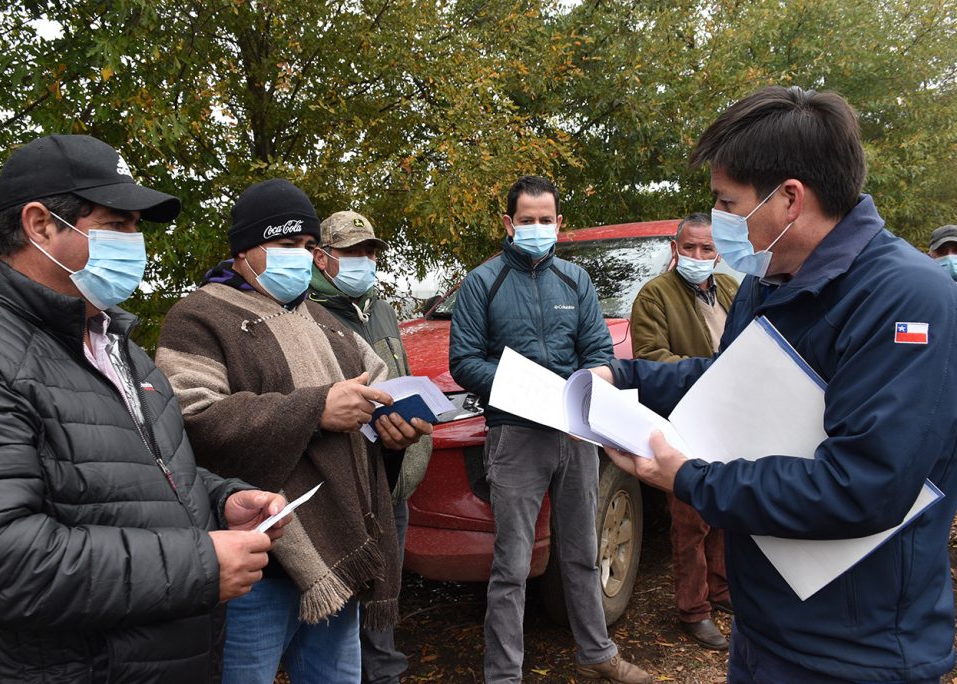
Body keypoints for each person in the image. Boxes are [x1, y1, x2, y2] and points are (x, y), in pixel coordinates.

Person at [596, 86, 957, 683]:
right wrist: (624, 377)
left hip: (856, 650)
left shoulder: (905, 300)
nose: (718, 222)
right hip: (765, 626)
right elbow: (730, 382)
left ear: (789, 198)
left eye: (727, 202)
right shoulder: (769, 282)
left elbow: (862, 486)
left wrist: (689, 478)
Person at [0, 134, 291, 684]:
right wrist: (198, 566)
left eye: (136, 228)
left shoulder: (118, 347)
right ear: (39, 224)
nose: (134, 242)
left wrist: (222, 501)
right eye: (117, 224)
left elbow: (133, 475)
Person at [155, 179, 431, 684]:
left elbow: (381, 390)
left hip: (341, 551)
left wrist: (393, 430)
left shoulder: (324, 321)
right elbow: (191, 419)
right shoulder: (198, 317)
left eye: (307, 247)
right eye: (286, 245)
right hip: (256, 562)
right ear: (245, 250)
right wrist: (316, 408)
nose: (301, 259)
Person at [449, 175, 652, 684]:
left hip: (575, 434)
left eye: (545, 220)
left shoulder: (576, 281)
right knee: (512, 565)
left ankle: (597, 653)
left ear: (560, 223)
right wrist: (523, 389)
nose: (537, 228)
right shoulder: (482, 282)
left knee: (582, 551)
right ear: (508, 223)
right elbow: (464, 361)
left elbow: (599, 352)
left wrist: (585, 383)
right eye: (527, 220)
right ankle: (503, 674)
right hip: (516, 435)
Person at [308, 210, 433, 684]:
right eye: (351, 252)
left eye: (370, 250)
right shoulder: (309, 312)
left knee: (387, 584)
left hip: (392, 471)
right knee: (347, 591)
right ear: (322, 257)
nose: (365, 259)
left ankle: (383, 670)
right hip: (346, 477)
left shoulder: (378, 306)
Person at [629, 212, 738, 651]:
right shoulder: (655, 295)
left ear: (718, 253)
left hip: (730, 418)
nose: (696, 256)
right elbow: (651, 360)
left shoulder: (730, 290)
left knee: (728, 508)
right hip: (684, 418)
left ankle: (723, 590)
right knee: (690, 519)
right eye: (688, 247)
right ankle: (694, 609)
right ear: (675, 249)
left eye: (706, 249)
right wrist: (717, 374)